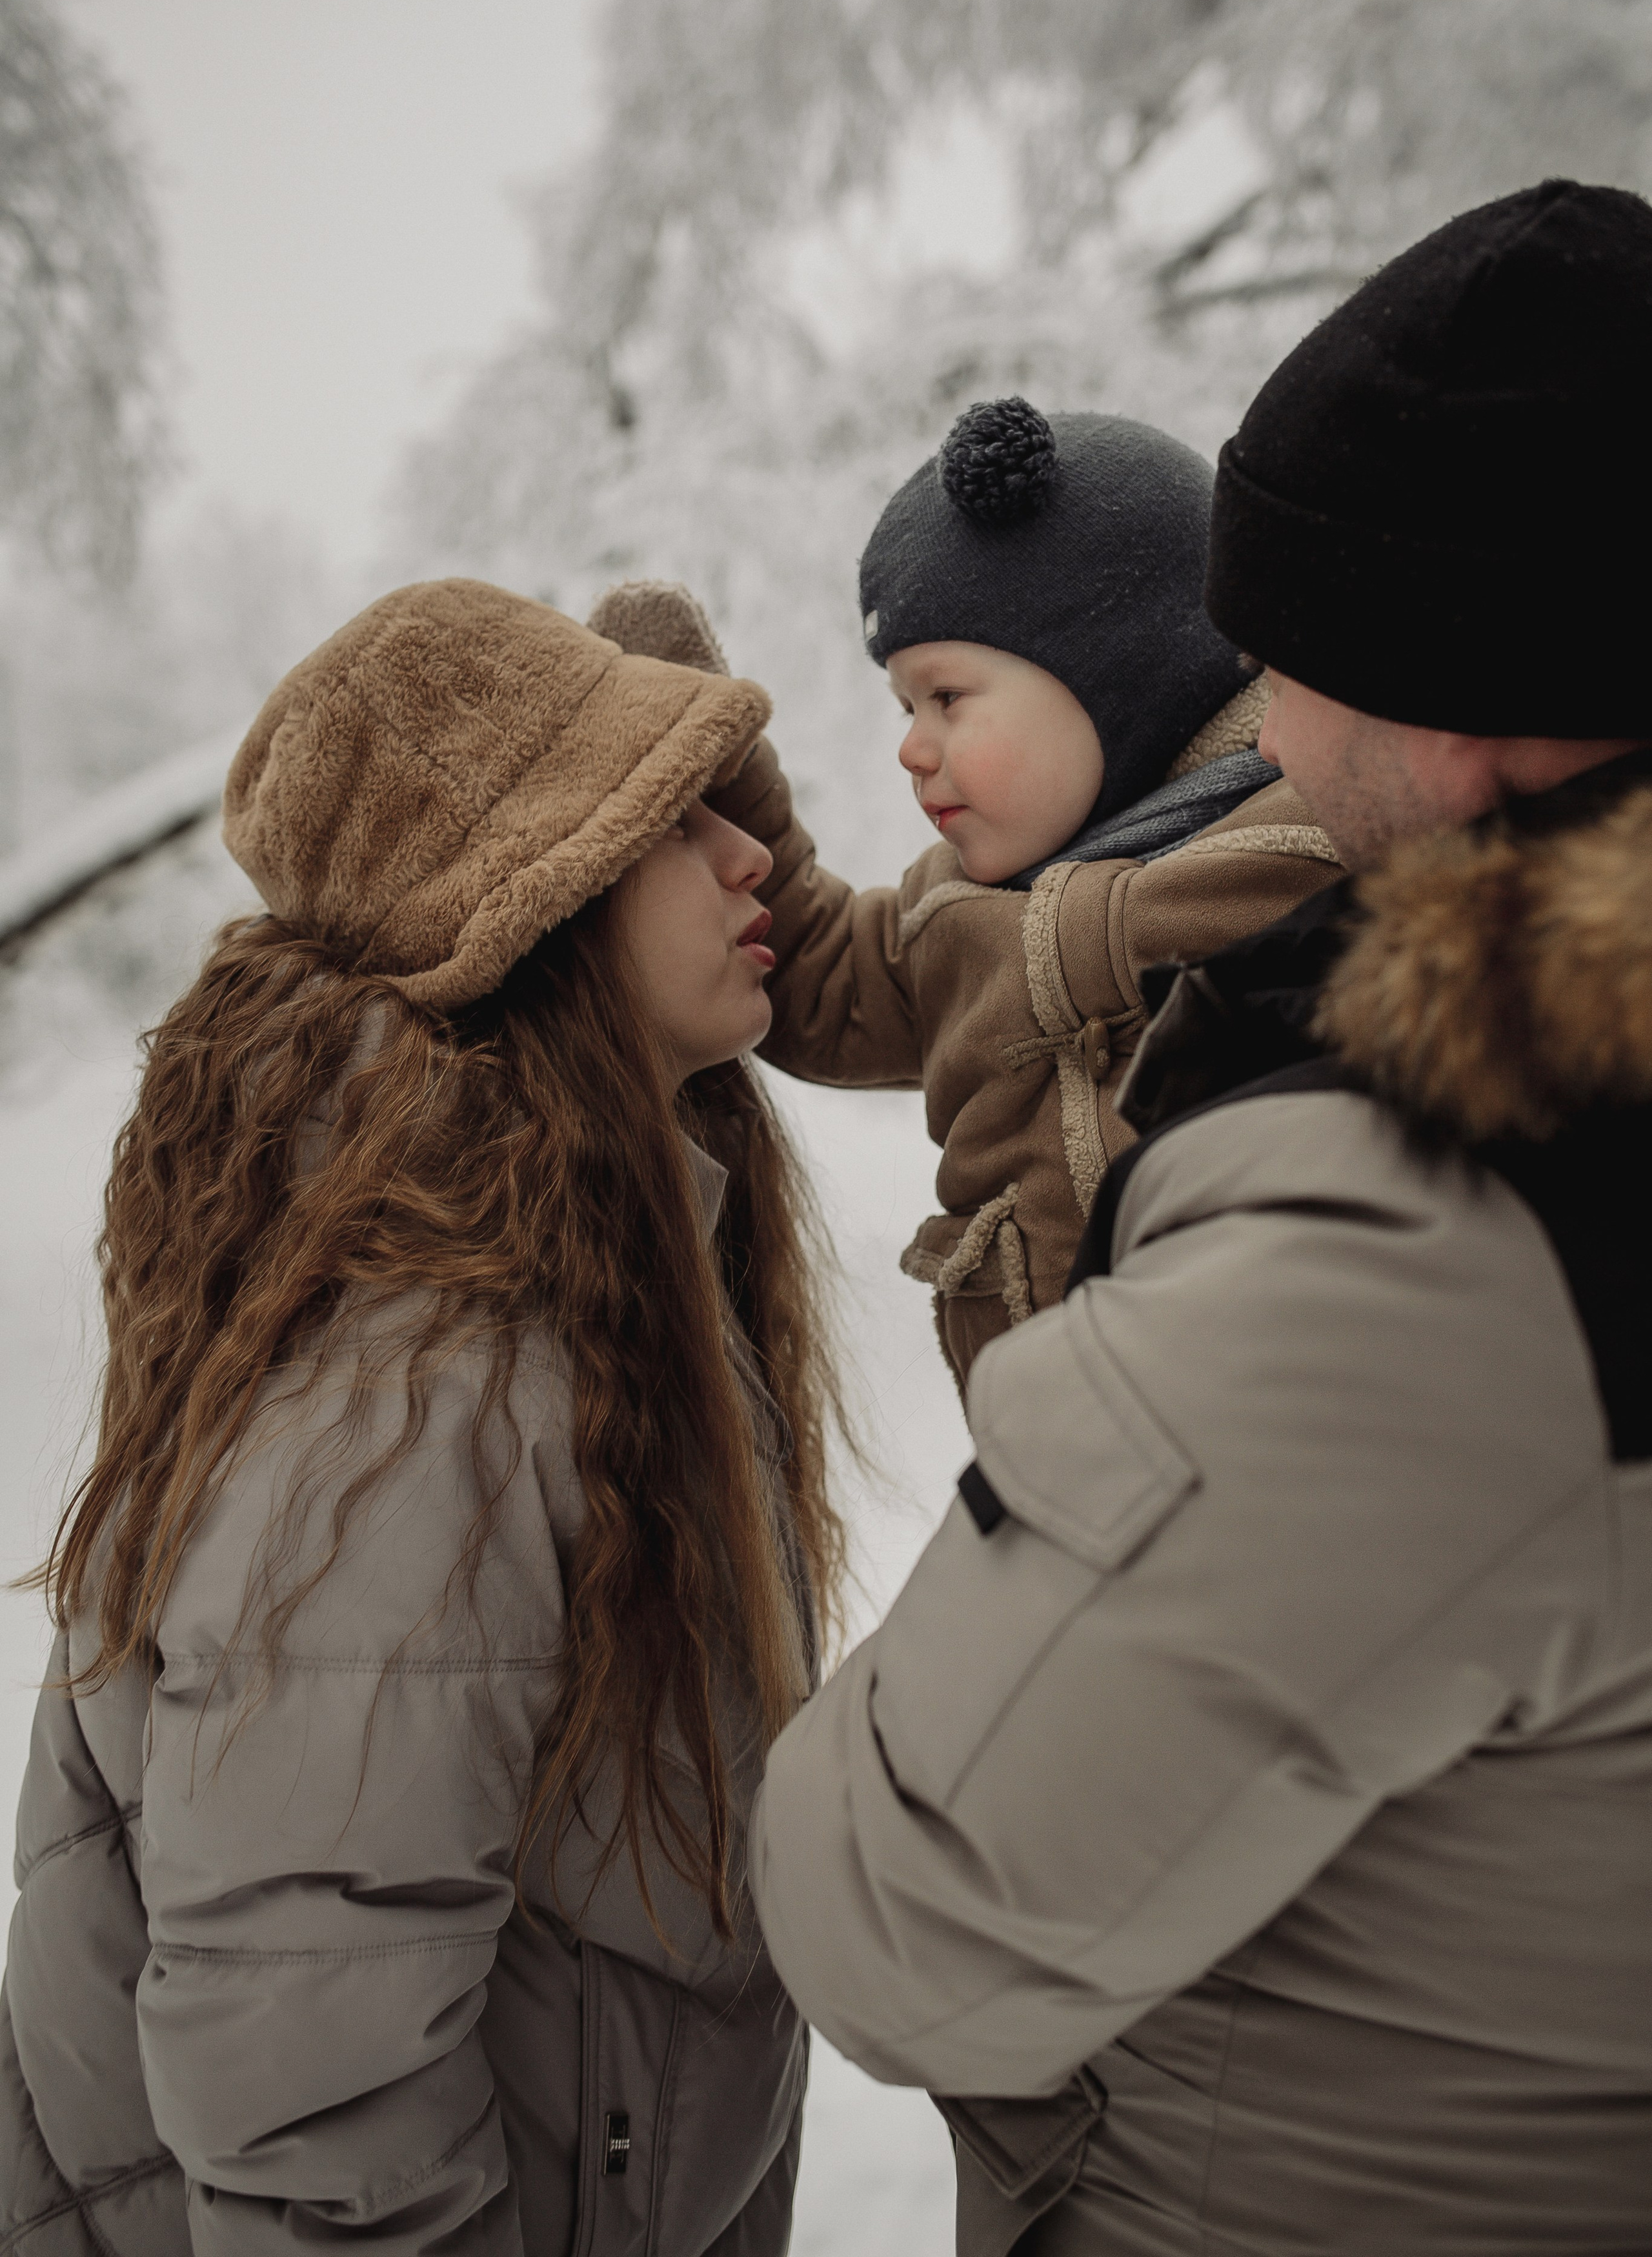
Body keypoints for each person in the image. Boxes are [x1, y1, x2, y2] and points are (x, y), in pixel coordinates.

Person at [742, 179, 1652, 2253]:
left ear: (1469, 717)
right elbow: (843, 974)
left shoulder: (1436, 1202)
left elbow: (900, 1900)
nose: (1267, 696)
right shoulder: (1342, 1011)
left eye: (1296, 637)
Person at [1, 578, 850, 2254]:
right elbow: (309, 2076)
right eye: (674, 825)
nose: (756, 858)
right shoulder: (437, 1385)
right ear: (522, 904)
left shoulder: (594, 1293)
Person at [707, 397, 1341, 1393]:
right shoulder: (953, 913)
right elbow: (818, 976)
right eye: (904, 706)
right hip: (1063, 1470)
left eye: (948, 696)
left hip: (1285, 1457)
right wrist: (720, 766)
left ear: (1115, 673)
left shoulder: (1315, 853)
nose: (911, 748)